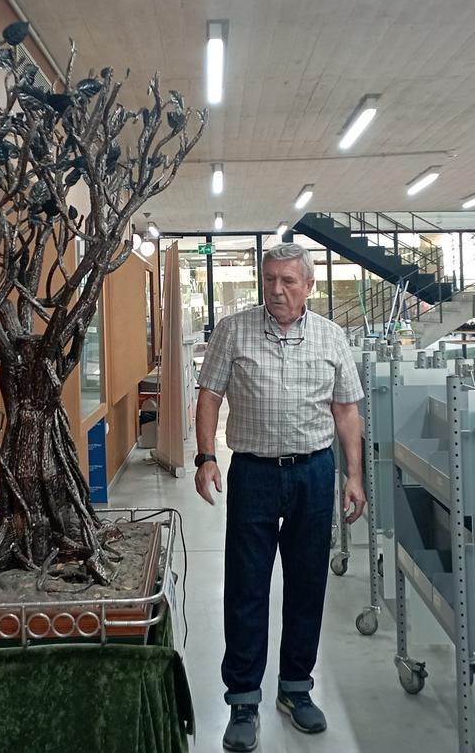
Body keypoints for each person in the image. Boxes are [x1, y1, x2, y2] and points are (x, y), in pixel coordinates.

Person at [193, 242, 366, 752]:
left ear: (310, 286)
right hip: (254, 475)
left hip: (314, 473)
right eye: (270, 279)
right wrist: (206, 457)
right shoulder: (234, 330)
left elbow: (347, 412)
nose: (277, 290)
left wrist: (353, 477)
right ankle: (243, 699)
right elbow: (209, 395)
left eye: (289, 281)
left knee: (307, 584)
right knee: (246, 587)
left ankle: (295, 688)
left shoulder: (332, 338)